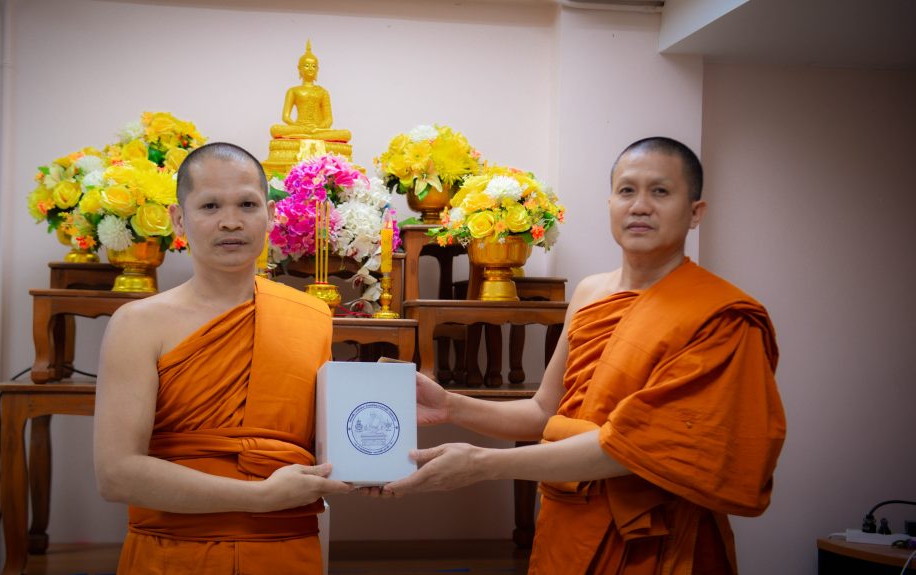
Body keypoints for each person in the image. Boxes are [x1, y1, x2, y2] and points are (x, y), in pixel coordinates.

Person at [378, 137, 786, 574]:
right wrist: (450, 405)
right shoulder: (591, 293)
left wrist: (483, 464)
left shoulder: (720, 316)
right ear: (610, 203)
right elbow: (543, 412)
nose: (640, 206)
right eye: (627, 191)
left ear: (695, 212)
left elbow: (630, 449)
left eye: (660, 191)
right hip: (568, 524)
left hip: (658, 537)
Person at [93, 142, 351, 574]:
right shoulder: (137, 325)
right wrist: (259, 498)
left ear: (270, 214)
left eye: (247, 204)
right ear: (179, 219)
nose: (231, 221)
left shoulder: (310, 317)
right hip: (172, 554)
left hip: (285, 551)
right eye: (210, 205)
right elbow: (116, 475)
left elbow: (319, 454)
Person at [270, 40, 352, 142]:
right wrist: (299, 127)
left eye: (313, 66)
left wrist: (318, 128)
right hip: (299, 128)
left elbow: (329, 119)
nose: (310, 69)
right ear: (299, 68)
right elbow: (285, 117)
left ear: (317, 69)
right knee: (275, 129)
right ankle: (309, 136)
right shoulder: (293, 91)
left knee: (346, 134)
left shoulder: (323, 92)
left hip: (318, 130)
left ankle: (308, 136)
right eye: (306, 65)